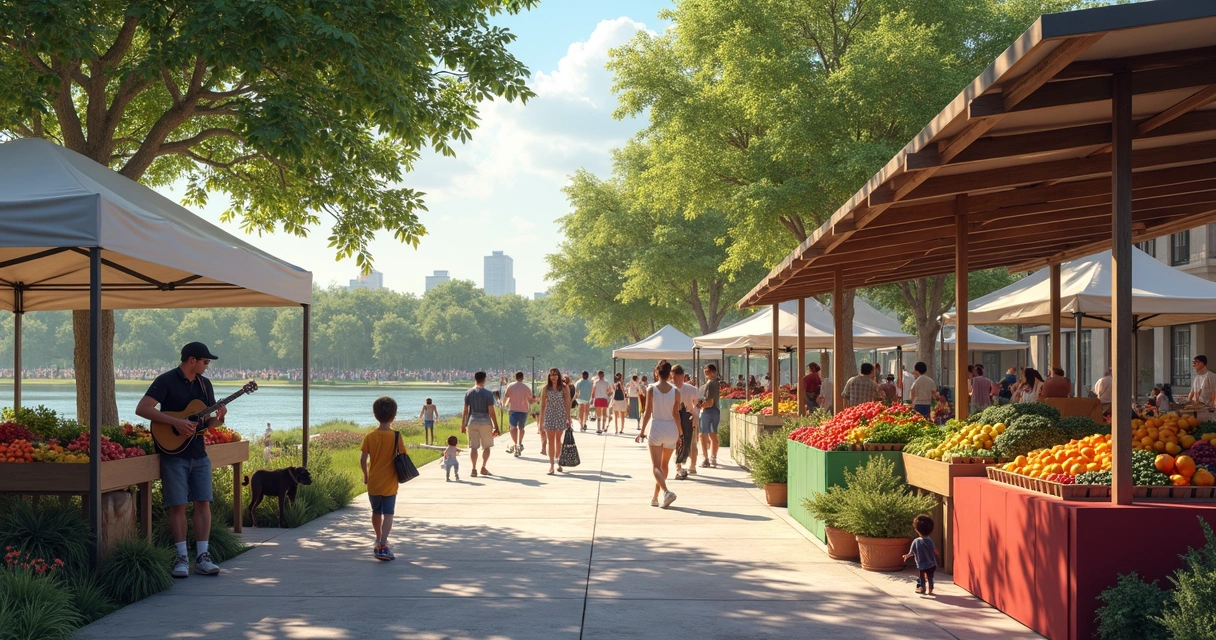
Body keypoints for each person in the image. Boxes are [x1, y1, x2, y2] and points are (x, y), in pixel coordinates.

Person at [135, 342, 227, 578]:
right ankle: (181, 559)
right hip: (173, 454)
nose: (207, 366)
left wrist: (219, 419)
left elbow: (204, 425)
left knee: (203, 502)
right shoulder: (166, 380)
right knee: (177, 505)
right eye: (205, 362)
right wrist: (176, 422)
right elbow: (143, 409)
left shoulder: (205, 386)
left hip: (199, 453)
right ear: (192, 360)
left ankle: (203, 557)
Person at [359, 396, 408, 560]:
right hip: (390, 483)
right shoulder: (396, 436)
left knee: (376, 512)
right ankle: (383, 544)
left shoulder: (369, 436)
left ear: (375, 414)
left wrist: (366, 475)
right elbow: (403, 455)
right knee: (388, 513)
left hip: (373, 481)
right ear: (394, 415)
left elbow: (363, 459)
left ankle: (378, 537)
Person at [636, 360, 680, 508]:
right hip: (671, 426)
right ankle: (656, 497)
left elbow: (647, 411)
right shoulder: (676, 391)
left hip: (657, 425)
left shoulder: (651, 389)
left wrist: (642, 431)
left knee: (656, 466)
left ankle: (666, 492)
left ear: (656, 373)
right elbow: (676, 413)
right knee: (664, 465)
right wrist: (680, 433)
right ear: (670, 374)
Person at [461, 371, 499, 478]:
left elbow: (465, 410)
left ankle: (473, 469)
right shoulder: (488, 394)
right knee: (486, 446)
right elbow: (491, 411)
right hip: (485, 422)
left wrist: (463, 425)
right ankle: (483, 467)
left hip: (472, 422)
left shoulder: (468, 392)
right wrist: (496, 426)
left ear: (475, 379)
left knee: (473, 447)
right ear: (484, 379)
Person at [540, 368, 573, 474]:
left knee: (558, 440)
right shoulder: (546, 388)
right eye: (551, 375)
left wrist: (569, 418)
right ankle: (551, 465)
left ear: (558, 376)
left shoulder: (564, 388)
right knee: (550, 441)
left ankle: (558, 459)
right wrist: (541, 421)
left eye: (555, 375)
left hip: (560, 415)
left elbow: (567, 404)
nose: (553, 377)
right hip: (549, 415)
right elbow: (543, 405)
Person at [672, 364, 699, 480]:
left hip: (689, 418)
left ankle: (692, 465)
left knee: (692, 443)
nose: (675, 379)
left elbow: (697, 404)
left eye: (677, 376)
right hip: (675, 419)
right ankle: (679, 466)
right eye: (673, 376)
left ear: (682, 376)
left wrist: (695, 415)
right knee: (678, 443)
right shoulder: (670, 389)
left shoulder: (691, 389)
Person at [902, 515, 939, 595]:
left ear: (917, 529)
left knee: (922, 577)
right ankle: (930, 588)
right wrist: (937, 554)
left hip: (921, 565)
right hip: (931, 564)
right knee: (930, 577)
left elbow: (911, 552)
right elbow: (934, 549)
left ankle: (922, 587)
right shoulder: (929, 540)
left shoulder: (916, 541)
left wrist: (906, 556)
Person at [503, 372, 534, 458]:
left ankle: (516, 444)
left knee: (512, 428)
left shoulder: (510, 386)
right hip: (524, 410)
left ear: (515, 377)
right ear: (522, 378)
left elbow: (506, 396)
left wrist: (504, 405)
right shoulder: (526, 387)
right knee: (521, 428)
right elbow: (530, 400)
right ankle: (519, 443)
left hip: (513, 410)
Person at [699, 363, 722, 468]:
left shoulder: (711, 383)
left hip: (708, 411)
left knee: (703, 434)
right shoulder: (715, 383)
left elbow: (710, 402)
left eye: (707, 371)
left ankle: (706, 458)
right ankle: (713, 456)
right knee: (713, 434)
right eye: (705, 371)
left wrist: (699, 406)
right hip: (716, 410)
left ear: (713, 372)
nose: (705, 373)